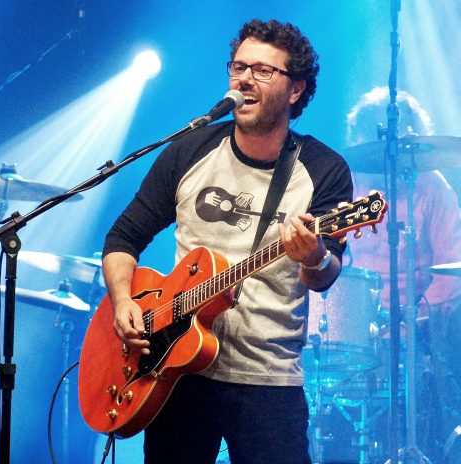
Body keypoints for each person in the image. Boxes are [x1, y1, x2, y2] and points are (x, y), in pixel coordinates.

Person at [101, 19, 353, 464]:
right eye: (239, 67)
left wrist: (314, 256)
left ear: (295, 90)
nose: (245, 79)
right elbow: (124, 236)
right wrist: (123, 302)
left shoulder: (323, 169)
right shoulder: (189, 150)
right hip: (176, 370)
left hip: (267, 380)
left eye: (263, 70)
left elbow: (324, 275)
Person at [344, 87, 461, 460]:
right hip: (351, 331)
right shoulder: (346, 185)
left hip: (416, 336)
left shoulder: (433, 188)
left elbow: (454, 269)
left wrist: (414, 319)